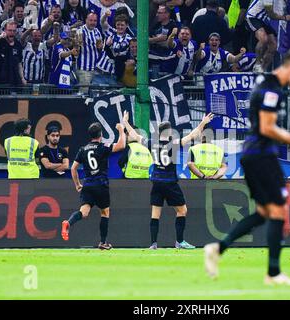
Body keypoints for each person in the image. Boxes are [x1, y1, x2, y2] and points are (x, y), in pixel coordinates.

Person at [204, 49, 290, 285]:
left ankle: (218, 248)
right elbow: (266, 128)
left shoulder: (268, 86)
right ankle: (273, 274)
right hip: (260, 155)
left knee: (266, 212)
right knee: (277, 210)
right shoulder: (271, 89)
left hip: (257, 155)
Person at [123, 112, 214, 250]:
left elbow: (134, 135)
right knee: (182, 210)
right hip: (170, 182)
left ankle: (153, 244)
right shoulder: (174, 144)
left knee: (155, 214)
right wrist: (203, 123)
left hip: (157, 182)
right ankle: (180, 241)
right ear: (170, 131)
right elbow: (193, 135)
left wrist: (125, 122)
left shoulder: (151, 144)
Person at [61, 119, 126, 250]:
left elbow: (73, 168)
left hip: (88, 185)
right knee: (105, 212)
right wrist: (120, 129)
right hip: (101, 184)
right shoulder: (103, 147)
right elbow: (122, 145)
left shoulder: (83, 149)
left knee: (83, 212)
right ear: (100, 134)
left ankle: (68, 222)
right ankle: (103, 242)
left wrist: (78, 184)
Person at [246, 0, 290, 72]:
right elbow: (271, 14)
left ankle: (263, 67)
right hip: (253, 17)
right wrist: (285, 17)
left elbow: (280, 12)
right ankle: (257, 64)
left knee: (273, 45)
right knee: (263, 39)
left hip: (264, 21)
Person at [0, 21, 27, 86]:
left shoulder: (18, 45)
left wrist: (22, 78)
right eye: (9, 30)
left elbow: (19, 63)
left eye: (14, 31)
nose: (12, 33)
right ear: (5, 30)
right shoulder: (0, 41)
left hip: (11, 79)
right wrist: (0, 37)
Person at [76, 12, 102, 91]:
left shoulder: (97, 31)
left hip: (96, 69)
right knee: (84, 94)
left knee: (95, 94)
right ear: (86, 20)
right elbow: (76, 45)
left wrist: (100, 47)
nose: (93, 23)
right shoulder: (80, 31)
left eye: (95, 21)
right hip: (84, 69)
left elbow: (100, 48)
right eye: (91, 20)